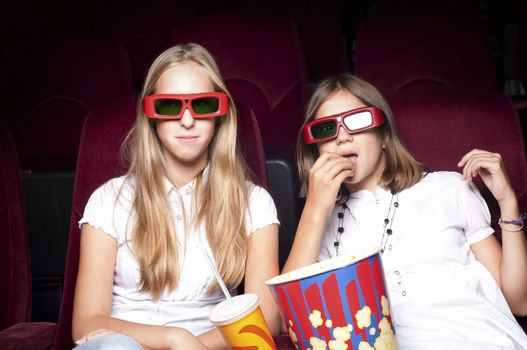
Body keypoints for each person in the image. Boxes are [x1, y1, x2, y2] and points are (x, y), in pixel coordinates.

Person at [283, 73, 527, 349]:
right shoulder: (323, 223)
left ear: (384, 135)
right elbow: (290, 319)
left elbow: (519, 303)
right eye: (326, 129)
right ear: (317, 149)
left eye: (358, 120)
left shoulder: (450, 188)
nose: (342, 136)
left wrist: (508, 202)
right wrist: (315, 209)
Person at [71, 43, 281, 350]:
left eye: (204, 105)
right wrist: (174, 339)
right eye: (170, 106)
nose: (187, 120)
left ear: (221, 113)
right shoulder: (108, 200)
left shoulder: (254, 203)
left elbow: (266, 320)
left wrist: (193, 345)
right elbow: (87, 324)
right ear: (151, 114)